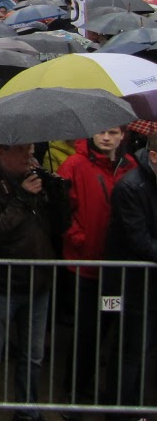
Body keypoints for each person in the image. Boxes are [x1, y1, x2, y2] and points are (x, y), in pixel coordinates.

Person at [0, 142, 70, 421]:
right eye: (22, 149)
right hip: (1, 285)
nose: (30, 155)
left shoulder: (39, 178)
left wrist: (59, 195)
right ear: (2, 152)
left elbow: (61, 227)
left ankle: (27, 410)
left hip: (38, 283)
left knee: (33, 355)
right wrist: (23, 198)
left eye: (30, 149)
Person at [56, 127, 136, 405]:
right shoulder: (74, 165)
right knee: (85, 332)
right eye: (101, 131)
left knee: (108, 328)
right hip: (85, 266)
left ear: (122, 136)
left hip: (116, 269)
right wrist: (80, 238)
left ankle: (100, 389)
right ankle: (75, 390)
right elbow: (62, 210)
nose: (106, 137)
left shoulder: (130, 166)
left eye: (113, 132)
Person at [104, 133, 157, 408]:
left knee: (141, 351)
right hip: (130, 285)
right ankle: (120, 409)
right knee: (131, 351)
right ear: (154, 156)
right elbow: (139, 240)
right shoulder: (130, 187)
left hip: (148, 283)